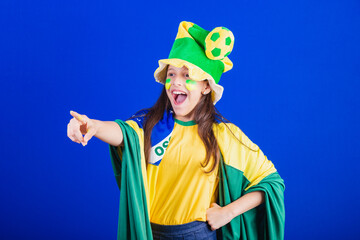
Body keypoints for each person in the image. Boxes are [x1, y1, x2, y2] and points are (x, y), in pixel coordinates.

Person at [67, 21, 285, 240]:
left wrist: (228, 212)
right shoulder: (151, 125)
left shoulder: (223, 136)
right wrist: (94, 126)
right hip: (150, 233)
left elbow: (271, 181)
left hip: (199, 235)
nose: (175, 82)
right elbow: (124, 133)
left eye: (187, 75)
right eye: (171, 74)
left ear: (206, 87)